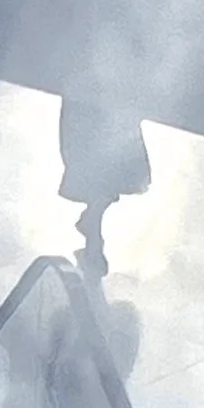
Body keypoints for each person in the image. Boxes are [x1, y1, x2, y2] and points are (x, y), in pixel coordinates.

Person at [57, 90, 153, 277]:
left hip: (104, 96)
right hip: (98, 95)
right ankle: (93, 228)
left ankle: (93, 227)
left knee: (111, 169)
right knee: (110, 168)